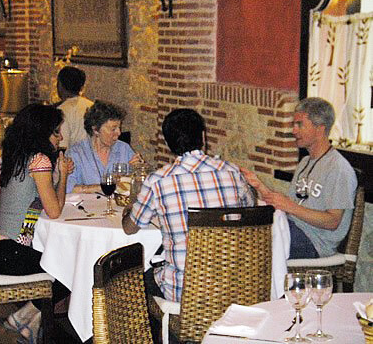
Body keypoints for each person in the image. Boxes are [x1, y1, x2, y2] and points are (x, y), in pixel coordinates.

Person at [122, 108, 255, 303]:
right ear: (203, 136)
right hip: (234, 287)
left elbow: (129, 228)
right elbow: (250, 208)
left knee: (127, 282)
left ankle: (155, 331)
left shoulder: (158, 181)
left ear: (168, 144)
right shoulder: (231, 172)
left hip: (184, 292)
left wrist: (129, 210)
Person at [0, 104, 74, 343]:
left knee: (64, 262)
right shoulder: (40, 160)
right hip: (7, 253)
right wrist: (63, 177)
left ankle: (28, 323)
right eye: (55, 132)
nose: (60, 137)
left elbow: (42, 201)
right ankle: (25, 315)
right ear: (41, 133)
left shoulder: (19, 156)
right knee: (73, 267)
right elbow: (53, 210)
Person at [241, 97, 357, 259]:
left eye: (300, 124)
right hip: (292, 229)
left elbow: (333, 221)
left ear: (320, 129)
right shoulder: (305, 162)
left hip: (314, 242)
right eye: (294, 124)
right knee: (242, 232)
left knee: (250, 245)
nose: (294, 130)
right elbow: (290, 205)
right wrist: (259, 185)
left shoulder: (339, 169)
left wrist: (289, 206)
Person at [66, 100, 143, 193]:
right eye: (113, 129)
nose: (119, 133)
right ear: (96, 130)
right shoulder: (77, 153)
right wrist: (104, 187)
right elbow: (67, 189)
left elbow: (138, 186)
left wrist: (138, 170)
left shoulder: (124, 149)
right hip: (88, 206)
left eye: (119, 127)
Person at [56, 66, 93, 149]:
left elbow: (62, 146)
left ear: (60, 85)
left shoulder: (61, 111)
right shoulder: (93, 106)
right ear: (81, 87)